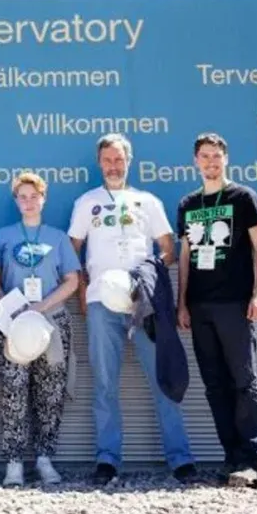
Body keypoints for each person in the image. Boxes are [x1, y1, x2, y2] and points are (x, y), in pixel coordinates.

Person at [68, 133, 197, 486]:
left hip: (145, 303)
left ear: (129, 161)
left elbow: (169, 248)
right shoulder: (86, 203)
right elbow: (71, 249)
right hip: (101, 302)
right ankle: (107, 459)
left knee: (163, 379)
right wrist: (82, 288)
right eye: (107, 160)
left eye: (119, 160)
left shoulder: (147, 201)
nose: (113, 166)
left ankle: (180, 458)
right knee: (105, 383)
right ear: (99, 163)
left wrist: (150, 269)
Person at [176, 132, 257, 487]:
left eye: (216, 156)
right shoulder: (188, 203)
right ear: (195, 161)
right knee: (215, 385)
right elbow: (185, 256)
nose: (211, 162)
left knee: (244, 382)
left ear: (225, 159)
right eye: (204, 156)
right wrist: (181, 302)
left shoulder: (243, 197)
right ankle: (232, 457)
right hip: (200, 307)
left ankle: (251, 457)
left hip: (235, 304)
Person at [0, 172, 81, 486]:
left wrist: (39, 308)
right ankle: (14, 463)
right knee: (14, 393)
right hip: (14, 326)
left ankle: (44, 459)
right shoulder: (2, 236)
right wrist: (13, 309)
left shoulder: (57, 238)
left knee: (50, 394)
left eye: (33, 196)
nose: (28, 202)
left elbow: (72, 280)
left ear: (44, 198)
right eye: (22, 196)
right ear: (16, 200)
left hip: (51, 323)